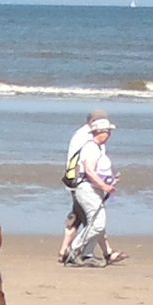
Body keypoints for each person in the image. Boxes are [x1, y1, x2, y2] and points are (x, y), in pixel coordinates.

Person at [65, 117, 125, 266]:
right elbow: (89, 172)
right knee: (97, 224)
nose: (109, 135)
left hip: (93, 189)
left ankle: (87, 254)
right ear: (100, 132)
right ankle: (72, 249)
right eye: (108, 131)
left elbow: (96, 171)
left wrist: (108, 181)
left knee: (97, 223)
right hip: (87, 189)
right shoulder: (91, 148)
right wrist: (105, 186)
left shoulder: (96, 148)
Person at [59, 109, 106, 262]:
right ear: (92, 122)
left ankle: (66, 252)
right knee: (88, 219)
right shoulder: (86, 137)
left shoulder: (88, 136)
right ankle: (71, 251)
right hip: (81, 182)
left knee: (82, 218)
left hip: (84, 182)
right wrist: (102, 183)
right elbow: (86, 164)